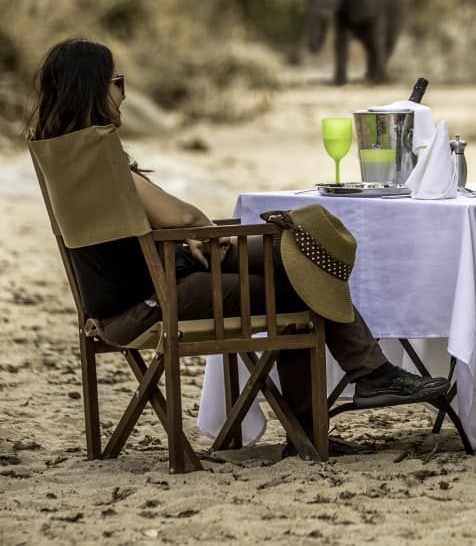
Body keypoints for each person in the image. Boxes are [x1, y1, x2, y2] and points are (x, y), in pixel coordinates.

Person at [28, 37, 448, 456]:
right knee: (302, 281)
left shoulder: (64, 156)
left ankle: (364, 381)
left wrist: (197, 236)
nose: (122, 92)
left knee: (296, 250)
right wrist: (205, 232)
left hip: (141, 290)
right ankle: (350, 394)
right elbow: (182, 217)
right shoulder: (98, 156)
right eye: (117, 81)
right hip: (153, 301)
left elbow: (145, 223)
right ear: (95, 89)